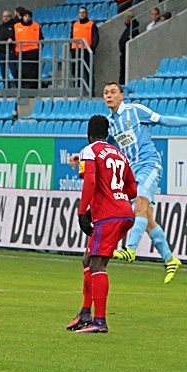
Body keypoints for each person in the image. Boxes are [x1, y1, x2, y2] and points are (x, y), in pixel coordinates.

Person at [69, 82, 187, 283]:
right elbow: (103, 148)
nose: (109, 95)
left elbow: (163, 120)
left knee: (139, 204)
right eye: (106, 92)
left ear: (122, 96)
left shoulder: (136, 111)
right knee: (147, 218)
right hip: (131, 170)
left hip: (149, 164)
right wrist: (79, 157)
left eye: (113, 92)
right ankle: (170, 259)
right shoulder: (110, 123)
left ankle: (130, 250)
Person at [65, 115, 137, 334]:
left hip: (108, 215)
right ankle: (85, 313)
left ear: (89, 133)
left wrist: (81, 211)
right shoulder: (120, 154)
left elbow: (90, 180)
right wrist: (116, 197)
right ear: (107, 133)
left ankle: (100, 321)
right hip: (125, 212)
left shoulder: (90, 150)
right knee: (88, 259)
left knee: (97, 264)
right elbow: (133, 189)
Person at [11, 9, 43, 90]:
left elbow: (41, 38)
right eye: (25, 16)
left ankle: (33, 88)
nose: (27, 18)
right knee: (23, 72)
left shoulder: (36, 26)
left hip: (33, 51)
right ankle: (24, 88)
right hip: (21, 52)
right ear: (23, 17)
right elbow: (12, 37)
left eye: (29, 16)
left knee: (33, 72)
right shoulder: (16, 26)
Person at [70, 6, 99, 84]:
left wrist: (92, 48)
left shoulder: (91, 24)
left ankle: (91, 92)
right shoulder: (75, 25)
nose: (82, 14)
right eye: (80, 13)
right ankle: (77, 90)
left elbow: (96, 37)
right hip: (76, 51)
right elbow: (71, 37)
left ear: (87, 14)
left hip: (87, 50)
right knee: (76, 72)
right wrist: (71, 49)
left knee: (89, 72)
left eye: (83, 12)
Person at [0, 9, 16, 85]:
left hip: (10, 52)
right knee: (3, 72)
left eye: (7, 16)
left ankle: (18, 86)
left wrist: (11, 38)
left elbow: (16, 36)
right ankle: (6, 86)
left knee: (14, 70)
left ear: (10, 17)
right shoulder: (0, 27)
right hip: (1, 52)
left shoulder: (14, 26)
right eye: (4, 16)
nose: (5, 18)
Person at [117, 13, 139, 84]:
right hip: (124, 54)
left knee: (123, 72)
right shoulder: (129, 28)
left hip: (127, 55)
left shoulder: (132, 29)